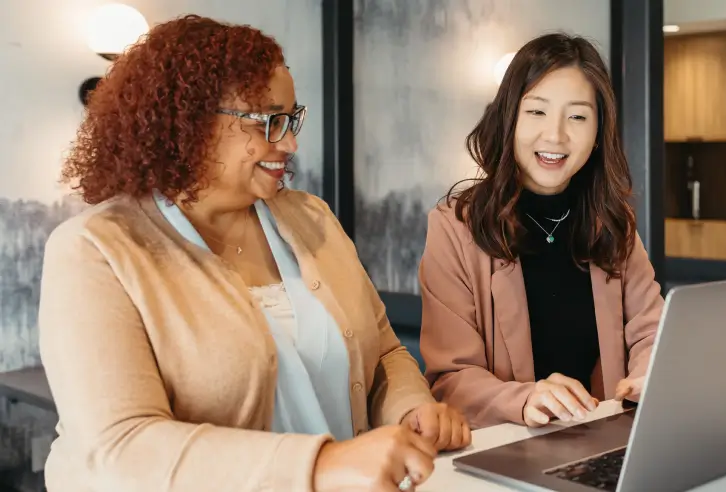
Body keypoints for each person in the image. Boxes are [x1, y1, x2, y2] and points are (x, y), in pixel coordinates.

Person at [39, 15, 469, 492]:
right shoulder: (94, 250)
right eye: (269, 122)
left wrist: (409, 409)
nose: (290, 143)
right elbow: (123, 446)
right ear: (191, 121)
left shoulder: (312, 218)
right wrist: (321, 465)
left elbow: (385, 351)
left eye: (291, 119)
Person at [417, 33, 666, 430]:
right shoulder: (454, 228)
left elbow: (651, 332)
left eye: (578, 116)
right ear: (509, 118)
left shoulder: (614, 223)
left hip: (606, 442)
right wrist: (524, 399)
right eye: (536, 112)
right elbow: (451, 379)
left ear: (600, 132)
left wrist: (651, 375)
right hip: (507, 452)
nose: (555, 135)